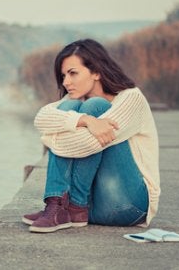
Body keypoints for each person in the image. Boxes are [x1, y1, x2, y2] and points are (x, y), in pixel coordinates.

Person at [23, 39, 160, 233]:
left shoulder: (131, 98)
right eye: (63, 76)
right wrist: (86, 120)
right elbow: (41, 118)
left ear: (96, 72)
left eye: (73, 73)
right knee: (70, 108)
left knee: (96, 106)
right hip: (86, 207)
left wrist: (51, 138)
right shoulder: (74, 99)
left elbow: (86, 143)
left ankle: (61, 201)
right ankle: (62, 207)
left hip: (126, 204)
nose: (65, 82)